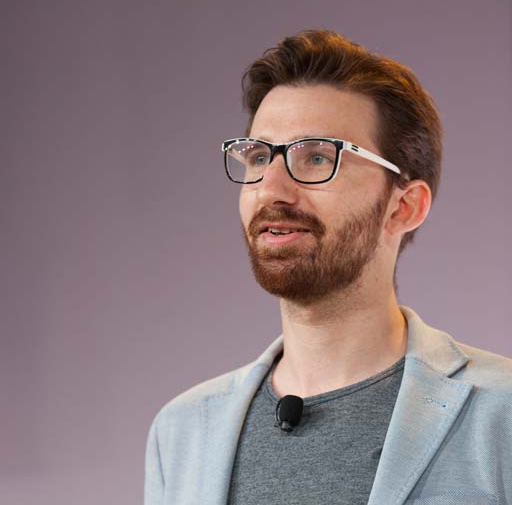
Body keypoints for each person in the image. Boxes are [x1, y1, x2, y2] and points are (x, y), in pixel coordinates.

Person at [144, 30, 512, 505]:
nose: (270, 189)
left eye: (317, 157)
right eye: (259, 157)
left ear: (403, 207)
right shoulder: (180, 433)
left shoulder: (501, 413)